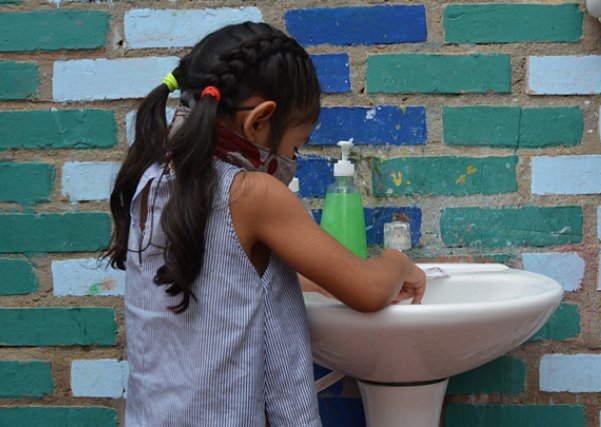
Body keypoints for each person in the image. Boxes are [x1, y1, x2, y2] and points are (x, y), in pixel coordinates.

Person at [105, 22, 426, 427]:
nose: (293, 157)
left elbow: (228, 282)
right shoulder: (252, 192)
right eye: (296, 144)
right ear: (260, 121)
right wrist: (398, 263)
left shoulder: (153, 177)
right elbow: (368, 290)